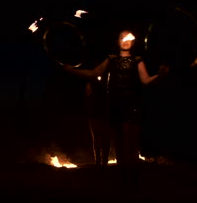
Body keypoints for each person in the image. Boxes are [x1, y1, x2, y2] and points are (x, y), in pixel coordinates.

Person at [62, 28, 169, 187]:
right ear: (118, 41)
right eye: (122, 37)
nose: (126, 40)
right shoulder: (111, 60)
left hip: (132, 107)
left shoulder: (137, 60)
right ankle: (123, 182)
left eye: (129, 38)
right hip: (114, 107)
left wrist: (160, 76)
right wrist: (71, 70)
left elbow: (145, 80)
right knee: (118, 147)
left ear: (133, 42)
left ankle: (133, 181)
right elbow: (93, 73)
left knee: (130, 147)